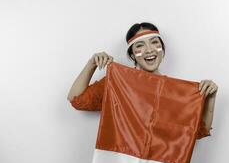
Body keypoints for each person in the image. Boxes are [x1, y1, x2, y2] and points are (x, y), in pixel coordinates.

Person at [67, 22, 218, 133]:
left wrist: (210, 98)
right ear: (132, 54)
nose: (149, 50)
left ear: (162, 49)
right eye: (140, 45)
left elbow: (198, 131)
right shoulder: (119, 83)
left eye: (154, 42)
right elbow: (76, 99)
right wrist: (92, 63)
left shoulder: (176, 91)